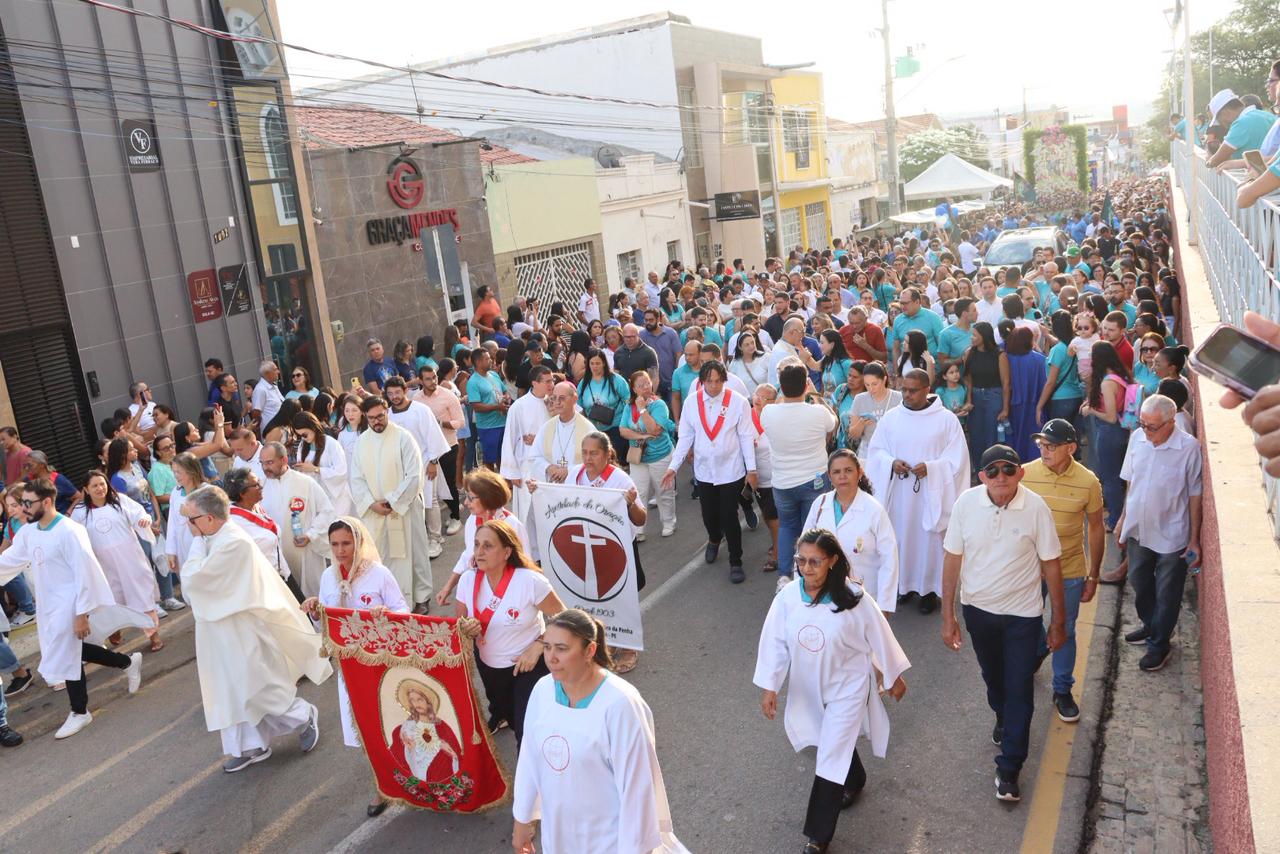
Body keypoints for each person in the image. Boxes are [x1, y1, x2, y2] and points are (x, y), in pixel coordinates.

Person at [755, 529, 909, 854]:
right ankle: (854, 779)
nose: (806, 568)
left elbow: (880, 635)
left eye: (815, 561)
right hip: (808, 688)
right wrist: (770, 686)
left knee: (829, 756)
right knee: (828, 740)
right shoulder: (788, 598)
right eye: (801, 561)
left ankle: (818, 835)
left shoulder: (854, 598)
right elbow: (775, 643)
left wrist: (893, 674)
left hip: (847, 689)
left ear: (833, 561)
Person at [941, 445, 1065, 802]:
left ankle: (1010, 767)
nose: (1001, 477)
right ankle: (1002, 715)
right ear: (981, 476)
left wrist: (1058, 621)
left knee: (1019, 688)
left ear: (1020, 473)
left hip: (1023, 616)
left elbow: (1052, 564)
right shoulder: (965, 504)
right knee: (993, 678)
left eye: (1008, 469)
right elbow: (952, 559)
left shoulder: (1036, 508)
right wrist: (948, 615)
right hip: (978, 611)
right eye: (992, 471)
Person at [178, 484, 330, 771]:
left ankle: (303, 716)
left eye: (191, 519)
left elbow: (193, 581)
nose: (189, 525)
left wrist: (196, 542)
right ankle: (251, 746)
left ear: (209, 518)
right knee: (230, 690)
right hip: (218, 628)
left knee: (258, 687)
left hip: (242, 629)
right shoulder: (213, 537)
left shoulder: (233, 543)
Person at [512, 609, 688, 854]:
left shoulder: (621, 704)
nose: (551, 658)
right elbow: (530, 759)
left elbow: (637, 787)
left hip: (609, 840)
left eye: (562, 649)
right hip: (559, 836)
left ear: (589, 651)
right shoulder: (542, 690)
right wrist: (522, 821)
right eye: (547, 647)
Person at [0, 478, 144, 739]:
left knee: (67, 653)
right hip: (48, 604)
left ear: (46, 501)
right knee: (70, 650)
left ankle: (79, 711)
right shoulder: (28, 532)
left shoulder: (70, 531)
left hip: (71, 603)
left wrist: (81, 614)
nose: (23, 508)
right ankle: (126, 662)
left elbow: (85, 574)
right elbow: (9, 561)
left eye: (28, 503)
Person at [301, 517, 407, 816]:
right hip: (349, 665)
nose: (340, 551)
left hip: (380, 663)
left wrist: (387, 614)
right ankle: (383, 785)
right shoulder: (328, 577)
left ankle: (410, 777)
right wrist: (315, 611)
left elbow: (402, 608)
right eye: (334, 544)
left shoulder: (378, 574)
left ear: (359, 542)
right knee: (365, 727)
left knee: (392, 724)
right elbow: (326, 622)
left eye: (346, 543)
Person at [865, 370, 970, 614]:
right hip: (900, 493)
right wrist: (891, 463)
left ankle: (928, 591)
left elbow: (958, 459)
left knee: (928, 542)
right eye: (904, 389)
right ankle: (904, 586)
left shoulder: (946, 420)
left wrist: (932, 468)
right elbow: (876, 451)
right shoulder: (892, 418)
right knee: (900, 537)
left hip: (931, 495)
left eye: (913, 390)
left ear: (927, 389)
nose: (907, 395)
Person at [1021, 419, 1104, 721]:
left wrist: (1093, 575)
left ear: (1070, 448)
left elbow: (1096, 528)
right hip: (1029, 570)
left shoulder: (1088, 482)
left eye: (1051, 446)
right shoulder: (1024, 474)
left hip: (1069, 568)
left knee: (1065, 629)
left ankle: (1062, 689)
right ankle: (1038, 650)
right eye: (1041, 444)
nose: (1044, 450)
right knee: (1026, 624)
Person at [454, 519, 564, 742]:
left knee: (526, 731)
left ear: (506, 552)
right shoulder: (467, 580)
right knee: (514, 721)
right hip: (489, 667)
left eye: (487, 546)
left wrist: (539, 646)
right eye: (476, 544)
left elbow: (564, 619)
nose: (479, 552)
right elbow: (459, 624)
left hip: (528, 666)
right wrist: (467, 629)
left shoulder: (530, 581)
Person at [1117, 395, 1203, 672]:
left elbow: (1195, 494)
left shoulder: (1188, 448)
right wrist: (1123, 518)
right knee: (1138, 580)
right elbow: (1131, 481)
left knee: (1167, 593)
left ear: (1171, 422)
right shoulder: (1137, 439)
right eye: (1142, 424)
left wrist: (1194, 539)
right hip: (1139, 529)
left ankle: (1159, 643)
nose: (1146, 431)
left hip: (1171, 533)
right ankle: (1151, 625)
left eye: (1152, 426)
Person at [661, 360, 759, 584]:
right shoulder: (691, 402)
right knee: (708, 515)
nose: (714, 386)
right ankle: (714, 539)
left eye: (718, 381)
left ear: (724, 380)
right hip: (704, 471)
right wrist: (673, 467)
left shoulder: (738, 402)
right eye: (709, 381)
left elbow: (746, 436)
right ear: (701, 381)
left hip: (731, 470)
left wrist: (751, 470)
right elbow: (685, 437)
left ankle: (736, 561)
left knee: (729, 515)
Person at [349, 396, 433, 613]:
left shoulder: (403, 437)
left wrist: (394, 501)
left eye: (380, 416)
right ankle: (388, 601)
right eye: (371, 418)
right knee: (382, 556)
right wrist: (371, 503)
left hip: (404, 508)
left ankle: (421, 596)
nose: (376, 421)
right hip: (376, 511)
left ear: (387, 412)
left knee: (414, 553)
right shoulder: (361, 442)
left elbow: (414, 475)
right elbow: (356, 478)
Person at [761, 363, 838, 592]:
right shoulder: (818, 412)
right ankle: (810, 576)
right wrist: (815, 395)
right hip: (814, 480)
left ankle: (785, 576)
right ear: (806, 385)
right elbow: (833, 422)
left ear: (781, 387)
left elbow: (776, 409)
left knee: (787, 527)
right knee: (812, 528)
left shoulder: (768, 412)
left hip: (782, 482)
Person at [70, 472, 163, 651]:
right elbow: (73, 537)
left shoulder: (120, 501)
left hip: (130, 559)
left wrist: (143, 521)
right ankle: (114, 630)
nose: (100, 488)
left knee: (141, 595)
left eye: (102, 484)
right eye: (95, 486)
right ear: (86, 490)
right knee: (110, 600)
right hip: (103, 565)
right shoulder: (80, 512)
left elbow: (139, 514)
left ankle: (153, 634)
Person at [802, 451, 899, 612]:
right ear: (829, 477)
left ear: (859, 473)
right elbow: (803, 550)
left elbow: (889, 559)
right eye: (836, 472)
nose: (842, 476)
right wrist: (802, 589)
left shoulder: (874, 510)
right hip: (824, 597)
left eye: (848, 470)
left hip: (865, 598)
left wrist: (884, 606)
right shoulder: (820, 504)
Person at [260, 441, 334, 599]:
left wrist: (311, 535)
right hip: (276, 557)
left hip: (305, 552)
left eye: (270, 462)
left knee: (311, 599)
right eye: (262, 463)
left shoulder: (305, 483)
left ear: (284, 460)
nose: (265, 468)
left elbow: (327, 511)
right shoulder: (260, 487)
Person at [500, 364, 555, 553]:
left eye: (552, 380)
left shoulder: (554, 403)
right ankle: (529, 552)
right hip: (527, 467)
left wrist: (538, 438)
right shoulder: (519, 406)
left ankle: (549, 550)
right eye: (547, 381)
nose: (551, 384)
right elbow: (509, 439)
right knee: (527, 511)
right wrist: (512, 472)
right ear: (534, 383)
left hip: (551, 465)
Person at [1080, 342, 1133, 532]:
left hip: (1110, 431)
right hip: (1118, 432)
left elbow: (1111, 417)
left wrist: (1091, 410)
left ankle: (1114, 519)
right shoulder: (1118, 376)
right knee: (1116, 477)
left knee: (1110, 477)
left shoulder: (1107, 382)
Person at [222, 467, 290, 587]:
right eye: (256, 485)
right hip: (262, 582)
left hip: (282, 573)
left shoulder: (256, 507)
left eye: (259, 482)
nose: (261, 487)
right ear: (242, 493)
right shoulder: (233, 522)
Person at [528, 382, 596, 483]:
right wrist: (548, 467)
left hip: (577, 487)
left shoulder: (588, 429)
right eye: (554, 398)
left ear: (574, 399)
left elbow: (596, 460)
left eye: (562, 398)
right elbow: (533, 457)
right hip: (553, 486)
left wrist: (569, 471)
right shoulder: (546, 428)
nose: (557, 402)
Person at [292, 411, 353, 518]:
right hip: (316, 497)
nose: (303, 438)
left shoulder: (332, 444)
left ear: (313, 427)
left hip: (336, 499)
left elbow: (341, 472)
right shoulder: (303, 445)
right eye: (299, 436)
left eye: (304, 435)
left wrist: (316, 469)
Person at [578, 348, 632, 464]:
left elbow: (628, 400)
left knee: (614, 460)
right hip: (593, 427)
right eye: (592, 363)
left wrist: (625, 421)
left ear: (604, 363)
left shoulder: (616, 380)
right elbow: (579, 405)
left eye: (598, 363)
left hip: (615, 425)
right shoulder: (584, 382)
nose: (595, 367)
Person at [1003, 327, 1047, 462]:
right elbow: (1045, 384)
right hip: (1034, 405)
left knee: (1013, 436)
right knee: (1034, 438)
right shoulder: (1040, 359)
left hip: (1010, 404)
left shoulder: (1005, 358)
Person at [846, 363, 900, 463]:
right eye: (867, 385)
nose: (871, 389)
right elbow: (853, 435)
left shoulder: (898, 398)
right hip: (867, 451)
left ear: (884, 379)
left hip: (892, 451)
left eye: (875, 384)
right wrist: (861, 424)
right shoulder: (860, 399)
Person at [467, 348, 510, 471]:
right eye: (487, 359)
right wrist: (497, 407)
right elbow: (476, 406)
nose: (491, 360)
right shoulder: (473, 382)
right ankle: (491, 480)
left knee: (504, 457)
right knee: (490, 459)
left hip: (503, 422)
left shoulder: (494, 375)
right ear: (478, 362)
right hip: (488, 427)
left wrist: (506, 397)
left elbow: (505, 390)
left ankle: (504, 480)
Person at [250, 360, 284, 433]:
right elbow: (256, 413)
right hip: (271, 431)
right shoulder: (260, 389)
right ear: (267, 373)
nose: (278, 372)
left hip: (281, 430)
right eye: (275, 369)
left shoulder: (274, 386)